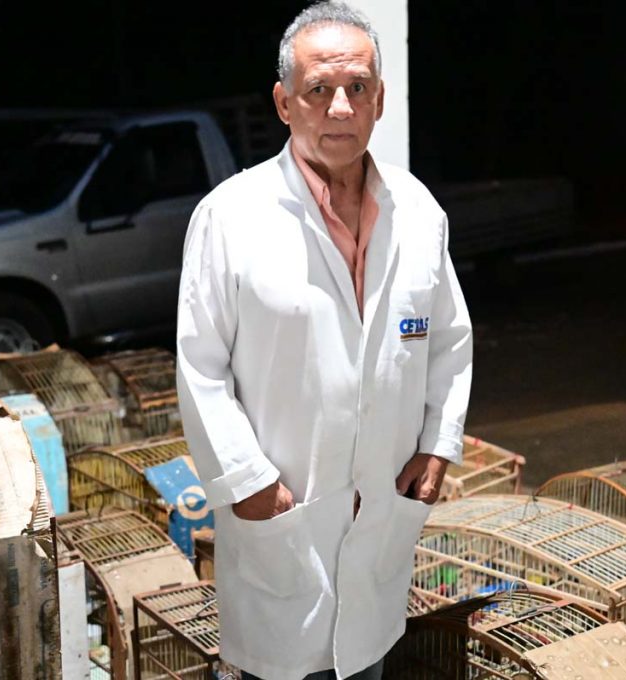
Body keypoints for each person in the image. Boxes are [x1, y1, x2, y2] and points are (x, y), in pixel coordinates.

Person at [175, 3, 472, 679]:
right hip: (284, 519)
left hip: (379, 524)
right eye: (319, 90)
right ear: (285, 104)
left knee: (366, 662)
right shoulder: (231, 216)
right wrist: (250, 484)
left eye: (357, 87)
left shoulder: (417, 211)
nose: (341, 107)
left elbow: (449, 339)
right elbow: (200, 367)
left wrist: (438, 443)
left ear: (379, 100)